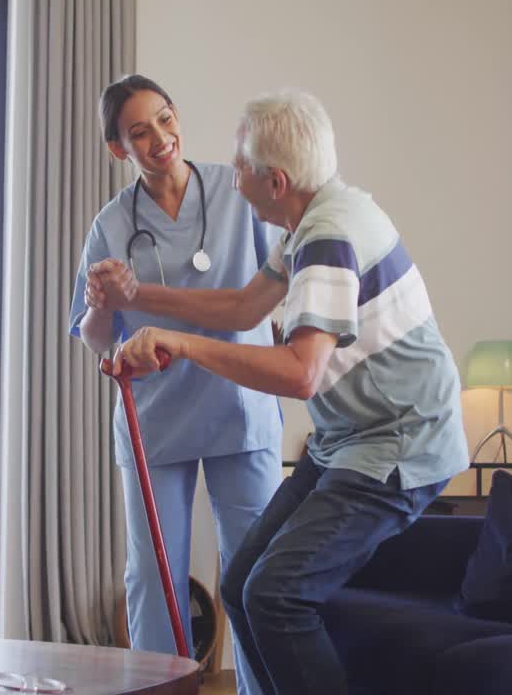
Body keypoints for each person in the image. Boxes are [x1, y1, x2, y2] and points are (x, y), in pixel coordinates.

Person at [93, 88, 469, 694]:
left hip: (398, 442)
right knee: (243, 581)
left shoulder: (328, 238)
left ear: (275, 180)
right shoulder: (309, 222)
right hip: (347, 438)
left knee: (275, 595)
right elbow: (243, 306)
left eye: (241, 167)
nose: (231, 176)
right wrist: (141, 304)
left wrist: (184, 344)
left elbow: (300, 374)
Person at [68, 74, 283, 695]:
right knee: (154, 579)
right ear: (119, 149)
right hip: (156, 420)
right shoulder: (112, 224)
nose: (160, 138)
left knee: (254, 574)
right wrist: (101, 302)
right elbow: (97, 338)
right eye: (140, 131)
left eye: (165, 120)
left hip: (239, 409)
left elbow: (276, 290)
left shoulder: (238, 192)